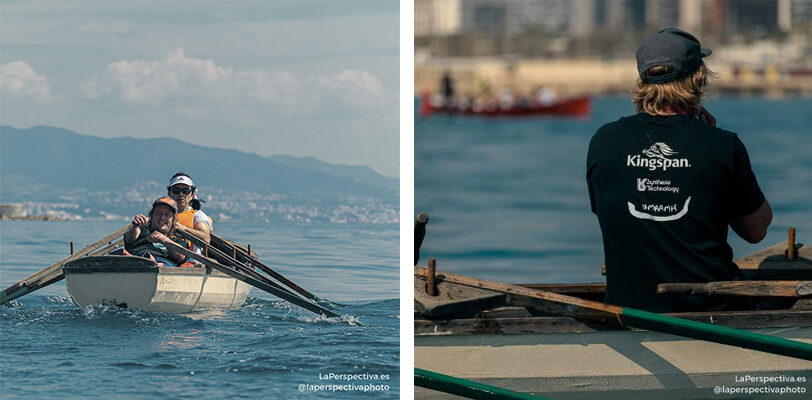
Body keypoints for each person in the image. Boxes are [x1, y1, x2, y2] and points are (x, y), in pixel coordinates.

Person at [586, 28, 772, 313]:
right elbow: (756, 230)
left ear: (642, 81)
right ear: (699, 78)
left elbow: (626, 220)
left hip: (629, 306)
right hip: (712, 310)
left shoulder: (604, 141)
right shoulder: (721, 145)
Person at [123, 197, 193, 267]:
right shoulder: (142, 230)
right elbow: (130, 238)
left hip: (162, 265)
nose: (162, 217)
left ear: (173, 220)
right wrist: (135, 225)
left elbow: (181, 257)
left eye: (167, 214)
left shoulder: (177, 241)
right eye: (158, 213)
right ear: (151, 216)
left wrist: (165, 240)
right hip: (136, 259)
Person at [166, 172, 213, 243]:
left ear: (192, 195)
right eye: (176, 191)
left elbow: (206, 238)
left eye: (185, 191)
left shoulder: (198, 215)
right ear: (169, 193)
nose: (181, 194)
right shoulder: (160, 214)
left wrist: (183, 228)